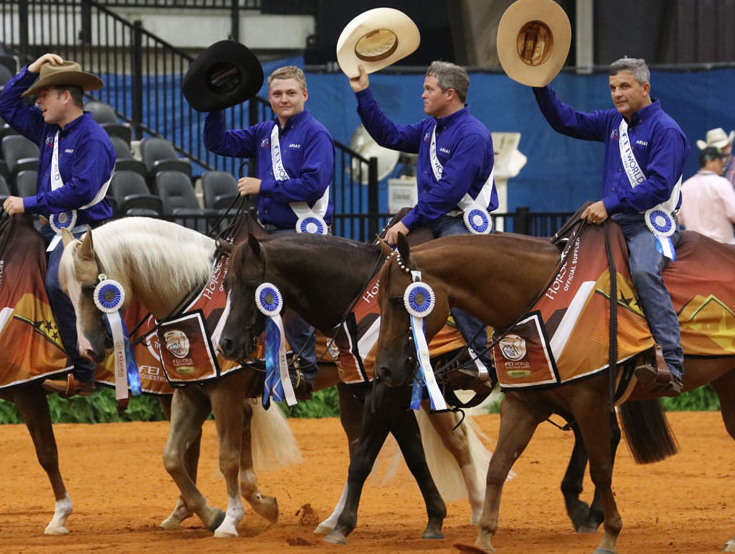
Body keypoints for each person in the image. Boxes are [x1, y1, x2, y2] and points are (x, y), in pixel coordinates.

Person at [533, 57, 688, 394]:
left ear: (645, 88)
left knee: (645, 272)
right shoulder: (612, 122)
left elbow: (659, 186)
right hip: (616, 220)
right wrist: (539, 84)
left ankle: (672, 366)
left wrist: (610, 204)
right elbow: (566, 121)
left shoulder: (667, 130)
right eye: (613, 88)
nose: (617, 94)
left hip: (650, 222)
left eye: (624, 86)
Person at [349, 60, 497, 379]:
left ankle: (480, 359)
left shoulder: (472, 134)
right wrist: (363, 92)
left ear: (450, 94)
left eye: (428, 89)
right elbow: (390, 136)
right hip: (433, 218)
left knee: (455, 276)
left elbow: (448, 191)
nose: (423, 95)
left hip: (459, 222)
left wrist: (407, 222)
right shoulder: (431, 127)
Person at [203, 65, 334, 397]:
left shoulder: (316, 133)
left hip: (305, 232)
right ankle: (249, 360)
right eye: (277, 94)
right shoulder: (265, 131)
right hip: (270, 234)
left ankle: (306, 369)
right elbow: (217, 142)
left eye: (291, 93)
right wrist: (217, 103)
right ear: (270, 98)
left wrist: (264, 186)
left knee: (296, 297)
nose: (284, 99)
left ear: (305, 95)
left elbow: (314, 186)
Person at [0, 53, 116, 397]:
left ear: (66, 96)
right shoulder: (50, 128)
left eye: (43, 93)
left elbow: (83, 189)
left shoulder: (92, 138)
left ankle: (84, 372)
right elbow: (6, 105)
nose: (37, 101)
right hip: (53, 230)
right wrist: (32, 68)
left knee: (55, 280)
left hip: (84, 233)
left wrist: (28, 204)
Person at [678, 146, 735, 244]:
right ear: (709, 161)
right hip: (722, 247)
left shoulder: (686, 186)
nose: (723, 164)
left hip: (695, 247)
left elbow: (679, 218)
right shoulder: (722, 183)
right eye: (720, 160)